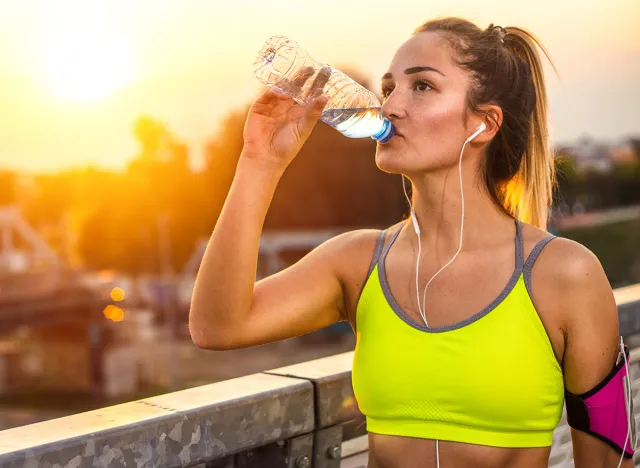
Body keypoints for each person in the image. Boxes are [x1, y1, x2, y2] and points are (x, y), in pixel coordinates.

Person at [189, 17, 635, 468]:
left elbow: (612, 459)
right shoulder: (356, 263)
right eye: (388, 88)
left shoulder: (564, 273)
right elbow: (217, 326)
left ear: (484, 124)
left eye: (421, 86)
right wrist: (258, 162)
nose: (391, 106)